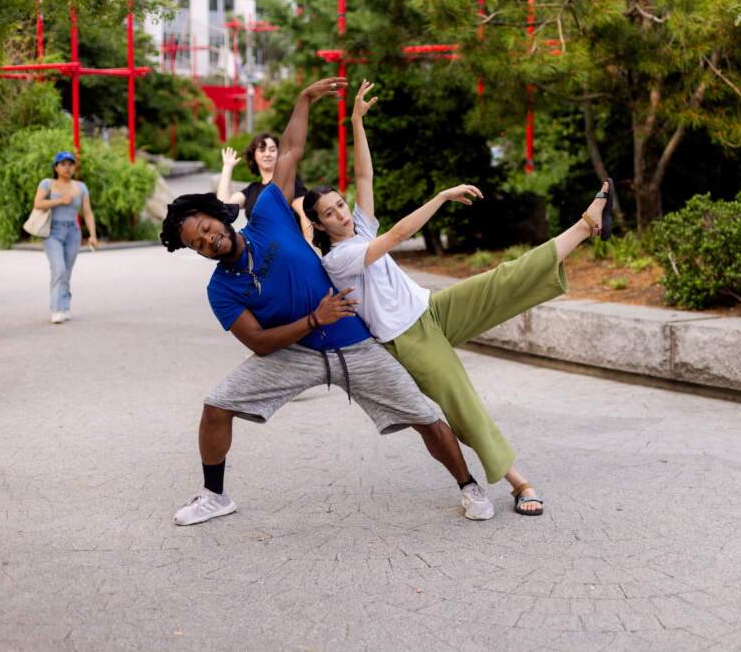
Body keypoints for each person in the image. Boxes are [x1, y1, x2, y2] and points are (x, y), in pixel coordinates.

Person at [160, 77, 493, 526]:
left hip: (354, 344)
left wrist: (303, 99)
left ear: (217, 216)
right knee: (216, 406)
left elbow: (292, 151)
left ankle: (468, 486)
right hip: (296, 353)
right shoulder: (220, 288)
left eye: (205, 227)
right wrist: (314, 319)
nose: (208, 239)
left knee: (423, 416)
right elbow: (258, 342)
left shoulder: (268, 217)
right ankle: (214, 495)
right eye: (198, 243)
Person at [305, 79, 616, 516]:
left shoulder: (360, 228)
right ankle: (519, 483)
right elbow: (399, 234)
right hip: (408, 340)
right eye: (329, 214)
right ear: (319, 226)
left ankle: (585, 225)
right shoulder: (339, 259)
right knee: (463, 405)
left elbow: (363, 175)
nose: (340, 214)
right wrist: (443, 196)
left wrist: (356, 121)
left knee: (502, 278)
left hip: (431, 309)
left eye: (340, 206)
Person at [33, 151, 98, 324]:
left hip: (73, 232)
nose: (67, 168)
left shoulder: (81, 187)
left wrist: (92, 235)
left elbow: (87, 213)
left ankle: (65, 306)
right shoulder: (47, 184)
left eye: (70, 164)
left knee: (66, 271)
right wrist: (60, 200)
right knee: (58, 269)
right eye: (63, 164)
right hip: (52, 231)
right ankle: (56, 309)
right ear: (56, 167)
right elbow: (38, 203)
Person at [216, 134, 314, 245]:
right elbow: (223, 206)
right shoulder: (252, 189)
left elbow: (304, 213)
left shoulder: (287, 180)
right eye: (262, 150)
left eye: (272, 150)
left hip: (289, 250)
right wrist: (227, 167)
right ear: (254, 156)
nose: (267, 154)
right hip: (264, 256)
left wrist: (311, 249)